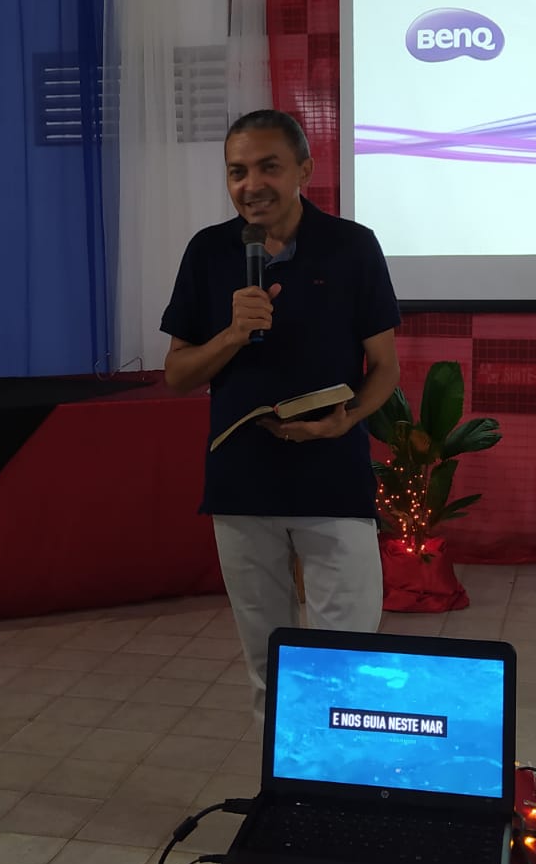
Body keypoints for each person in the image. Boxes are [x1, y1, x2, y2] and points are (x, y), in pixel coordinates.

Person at [161, 109, 402, 718]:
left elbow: (385, 369)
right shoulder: (208, 251)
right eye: (237, 171)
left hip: (334, 478)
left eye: (268, 167)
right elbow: (178, 375)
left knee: (346, 657)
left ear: (304, 169)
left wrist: (347, 419)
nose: (251, 185)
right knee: (268, 663)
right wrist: (231, 335)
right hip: (242, 484)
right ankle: (281, 772)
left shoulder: (352, 246)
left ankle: (344, 769)